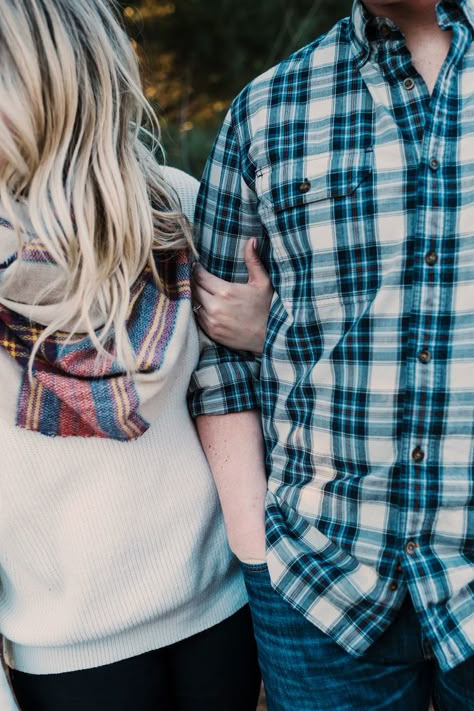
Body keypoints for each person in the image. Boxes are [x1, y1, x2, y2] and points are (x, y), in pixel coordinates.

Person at [189, 0, 474, 709]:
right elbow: (217, 359)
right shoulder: (268, 107)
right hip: (319, 590)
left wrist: (276, 326)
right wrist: (256, 553)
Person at [0, 1, 262, 710]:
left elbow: (252, 389)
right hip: (65, 654)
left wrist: (264, 331)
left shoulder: (176, 209)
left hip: (220, 614)